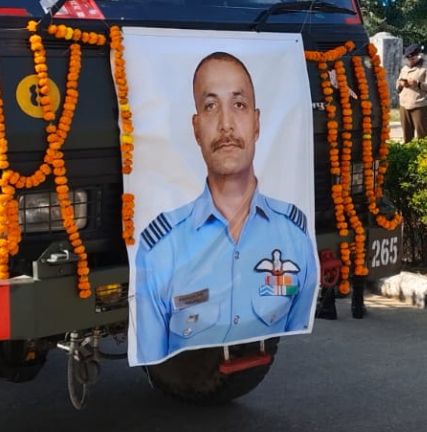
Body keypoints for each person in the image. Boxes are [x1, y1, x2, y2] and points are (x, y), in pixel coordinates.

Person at [133, 52, 317, 365]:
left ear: (257, 123)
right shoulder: (160, 249)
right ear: (196, 128)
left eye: (239, 105)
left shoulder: (295, 237)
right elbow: (152, 358)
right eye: (210, 106)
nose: (226, 125)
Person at [396, 44, 427, 142]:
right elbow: (398, 85)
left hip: (419, 105)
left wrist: (418, 83)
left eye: (412, 56)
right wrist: (401, 84)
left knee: (422, 136)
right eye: (408, 57)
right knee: (407, 136)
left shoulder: (426, 68)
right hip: (404, 104)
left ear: (418, 55)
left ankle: (423, 155)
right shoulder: (404, 68)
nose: (410, 58)